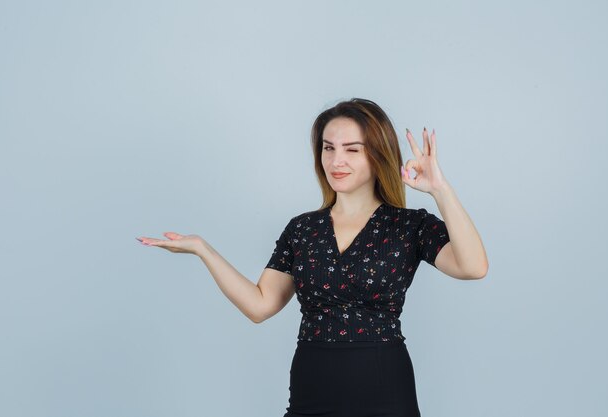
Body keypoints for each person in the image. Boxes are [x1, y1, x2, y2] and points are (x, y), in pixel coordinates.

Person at [137, 98, 488, 417]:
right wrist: (203, 249)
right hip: (311, 389)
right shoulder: (303, 229)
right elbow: (261, 306)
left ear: (377, 154)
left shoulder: (409, 225)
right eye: (328, 148)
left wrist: (440, 190)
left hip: (385, 390)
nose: (336, 161)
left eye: (352, 150)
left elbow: (473, 267)